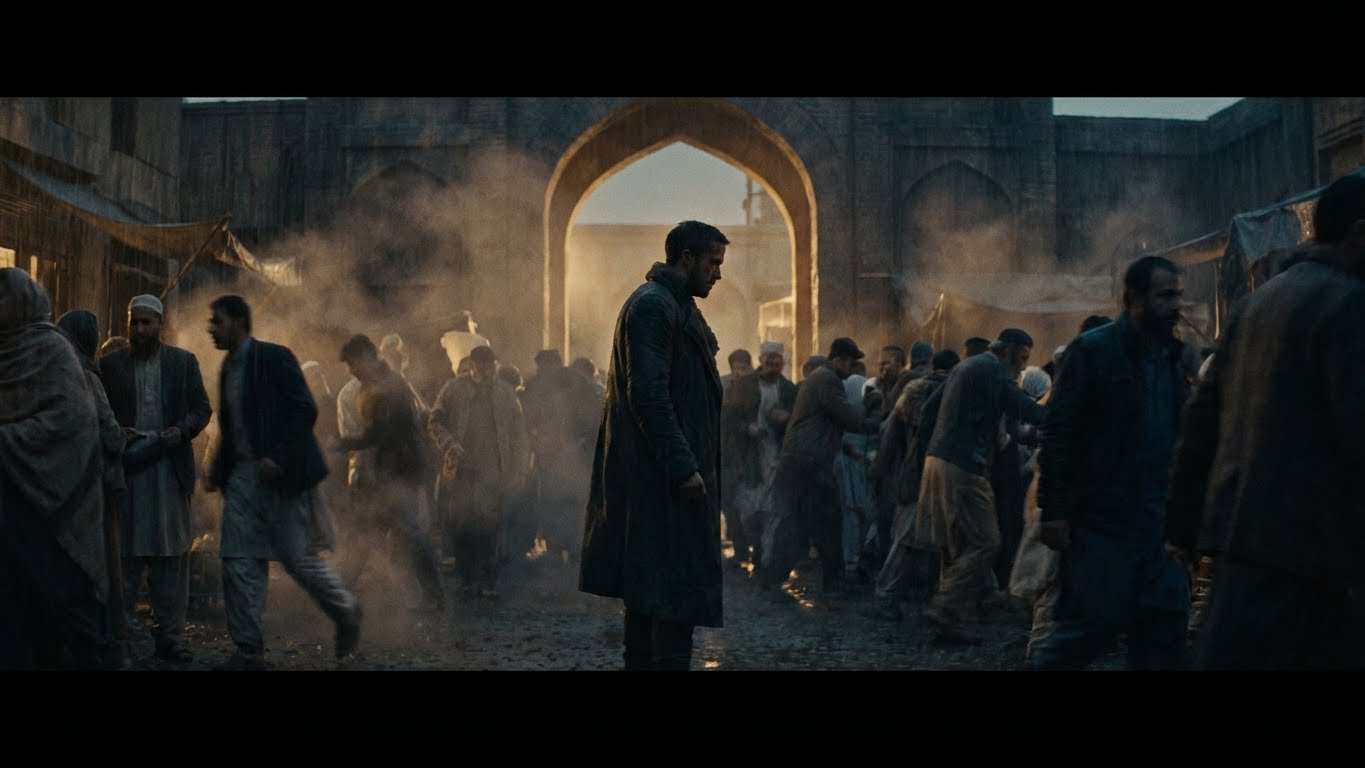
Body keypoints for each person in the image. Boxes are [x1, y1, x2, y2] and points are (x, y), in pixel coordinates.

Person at [1166, 173, 1365, 669]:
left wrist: (1187, 526)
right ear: (1360, 233)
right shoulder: (1349, 304)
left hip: (1242, 549)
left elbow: (1202, 421)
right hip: (1314, 561)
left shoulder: (1258, 303)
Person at [1028, 256, 1192, 670]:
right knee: (1087, 629)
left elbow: (1178, 435)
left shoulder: (1172, 358)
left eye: (1178, 295)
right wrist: (1055, 509)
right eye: (1165, 295)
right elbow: (1059, 432)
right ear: (1134, 298)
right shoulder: (1093, 350)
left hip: (1156, 525)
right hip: (1103, 522)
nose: (1176, 305)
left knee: (1163, 634)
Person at [579, 220, 729, 670]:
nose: (718, 274)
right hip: (659, 481)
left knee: (657, 594)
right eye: (713, 263)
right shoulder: (652, 306)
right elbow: (648, 393)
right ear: (686, 258)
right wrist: (683, 465)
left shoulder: (676, 304)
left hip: (667, 477)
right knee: (666, 595)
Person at [206, 294, 362, 670]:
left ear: (240, 322)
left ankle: (347, 610)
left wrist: (279, 455)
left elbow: (304, 408)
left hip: (282, 474)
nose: (212, 329)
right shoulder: (228, 367)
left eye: (219, 321)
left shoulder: (274, 357)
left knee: (298, 560)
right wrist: (217, 472)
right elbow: (231, 428)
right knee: (238, 559)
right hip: (244, 476)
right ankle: (248, 650)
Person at [0, 268, 107, 669]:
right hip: (8, 502)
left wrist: (8, 438)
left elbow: (73, 421)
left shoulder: (51, 349)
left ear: (25, 300)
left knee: (56, 603)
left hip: (49, 505)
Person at [99, 294, 212, 665]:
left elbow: (202, 409)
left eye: (147, 322)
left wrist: (182, 431)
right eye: (135, 322)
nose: (140, 329)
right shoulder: (110, 366)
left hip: (168, 471)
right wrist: (117, 432)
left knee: (170, 556)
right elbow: (98, 416)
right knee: (126, 554)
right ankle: (123, 634)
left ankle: (170, 636)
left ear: (160, 325)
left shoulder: (182, 363)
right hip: (129, 471)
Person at [915, 328, 1047, 645]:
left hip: (941, 460)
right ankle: (946, 605)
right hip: (963, 466)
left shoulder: (968, 366)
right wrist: (1059, 414)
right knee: (987, 542)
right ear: (1010, 351)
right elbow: (1022, 406)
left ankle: (953, 622)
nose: (1023, 366)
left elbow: (929, 408)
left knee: (958, 545)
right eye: (1024, 358)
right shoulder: (992, 368)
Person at [756, 337, 882, 601]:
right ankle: (814, 583)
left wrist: (850, 449)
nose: (850, 368)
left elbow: (826, 425)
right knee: (813, 523)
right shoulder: (827, 379)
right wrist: (871, 414)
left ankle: (805, 582)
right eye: (849, 362)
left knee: (812, 523)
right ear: (839, 359)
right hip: (808, 464)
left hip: (805, 462)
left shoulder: (820, 378)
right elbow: (846, 417)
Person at [332, 334, 446, 612]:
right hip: (388, 471)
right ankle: (341, 592)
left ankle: (433, 596)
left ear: (369, 358)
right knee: (372, 530)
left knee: (402, 533)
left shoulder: (389, 386)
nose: (351, 370)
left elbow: (382, 433)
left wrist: (347, 444)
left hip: (399, 471)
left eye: (354, 363)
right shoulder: (373, 386)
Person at [57, 308, 130, 668]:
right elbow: (111, 435)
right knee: (105, 567)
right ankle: (109, 642)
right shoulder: (87, 376)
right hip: (96, 486)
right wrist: (127, 437)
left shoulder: (55, 374)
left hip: (62, 488)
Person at [428, 344, 529, 599]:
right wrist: (449, 444)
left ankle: (485, 580)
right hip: (461, 469)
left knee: (488, 526)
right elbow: (434, 421)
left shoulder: (506, 394)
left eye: (490, 367)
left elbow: (519, 434)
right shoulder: (453, 390)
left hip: (493, 471)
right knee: (461, 524)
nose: (485, 371)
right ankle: (466, 577)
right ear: (470, 366)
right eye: (480, 366)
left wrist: (520, 470)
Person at [872, 348, 959, 620]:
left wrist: (884, 466)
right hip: (942, 474)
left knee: (908, 539)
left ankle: (896, 597)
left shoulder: (914, 388)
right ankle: (896, 597)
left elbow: (889, 430)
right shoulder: (955, 390)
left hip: (912, 471)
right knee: (927, 540)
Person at [720, 340, 796, 572]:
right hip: (747, 458)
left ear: (782, 362)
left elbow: (798, 421)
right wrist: (747, 428)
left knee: (772, 510)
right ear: (761, 359)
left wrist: (787, 419)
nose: (772, 362)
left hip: (777, 456)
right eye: (768, 357)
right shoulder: (744, 386)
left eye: (777, 358)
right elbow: (727, 418)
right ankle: (751, 548)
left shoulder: (789, 389)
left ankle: (765, 561)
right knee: (748, 511)